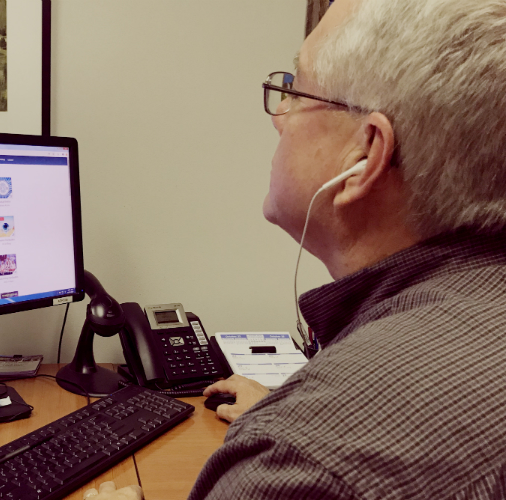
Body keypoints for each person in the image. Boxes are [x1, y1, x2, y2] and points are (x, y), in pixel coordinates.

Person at [90, 0, 506, 498]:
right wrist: (285, 405)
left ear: (367, 152)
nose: (279, 116)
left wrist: (297, 427)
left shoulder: (298, 463)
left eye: (296, 89)